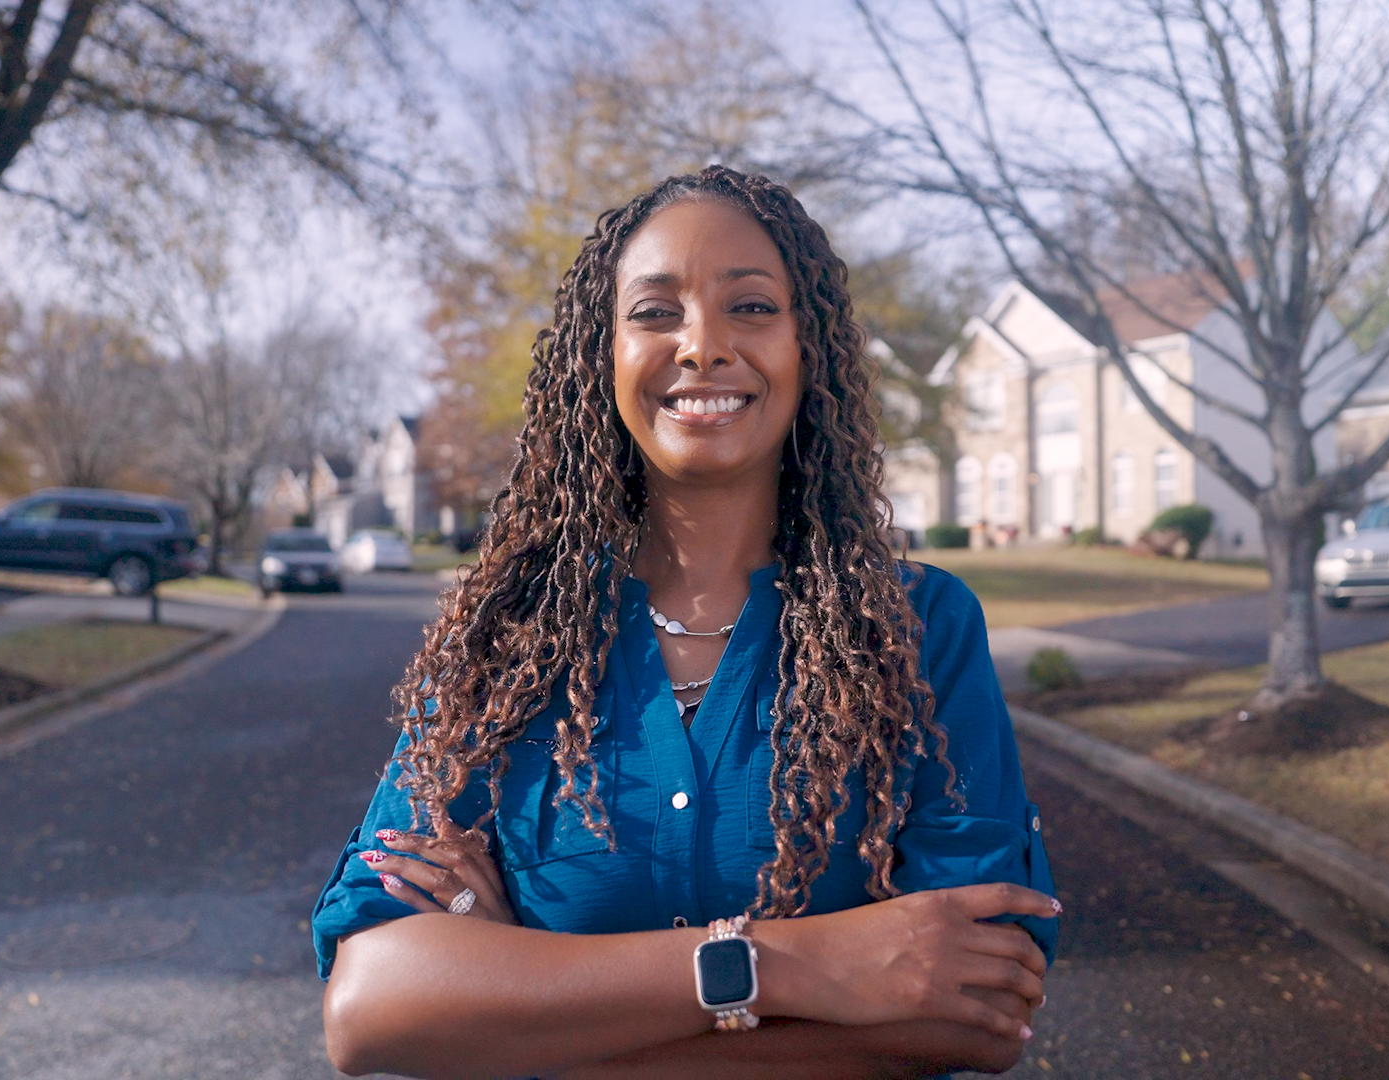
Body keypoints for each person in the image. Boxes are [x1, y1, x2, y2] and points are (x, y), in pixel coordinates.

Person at [313, 166, 1060, 1077]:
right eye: (655, 312)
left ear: (808, 345)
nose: (702, 345)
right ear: (604, 356)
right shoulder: (505, 640)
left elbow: (978, 1009)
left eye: (750, 307)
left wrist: (523, 1002)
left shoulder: (917, 630)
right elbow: (369, 1006)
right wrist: (793, 968)